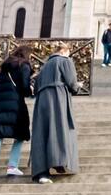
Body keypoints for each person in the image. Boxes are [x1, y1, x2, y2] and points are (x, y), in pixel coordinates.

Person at [0, 45, 33, 186]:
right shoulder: (24, 66)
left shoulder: (4, 69)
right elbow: (25, 87)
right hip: (16, 106)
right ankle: (12, 165)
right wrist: (31, 90)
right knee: (21, 134)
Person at [30, 42, 80, 183]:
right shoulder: (65, 61)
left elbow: (37, 85)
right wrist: (78, 87)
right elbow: (72, 82)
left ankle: (42, 171)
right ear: (64, 51)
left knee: (43, 132)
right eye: (69, 52)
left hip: (42, 101)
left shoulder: (45, 66)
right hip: (58, 99)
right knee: (59, 128)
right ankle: (60, 162)